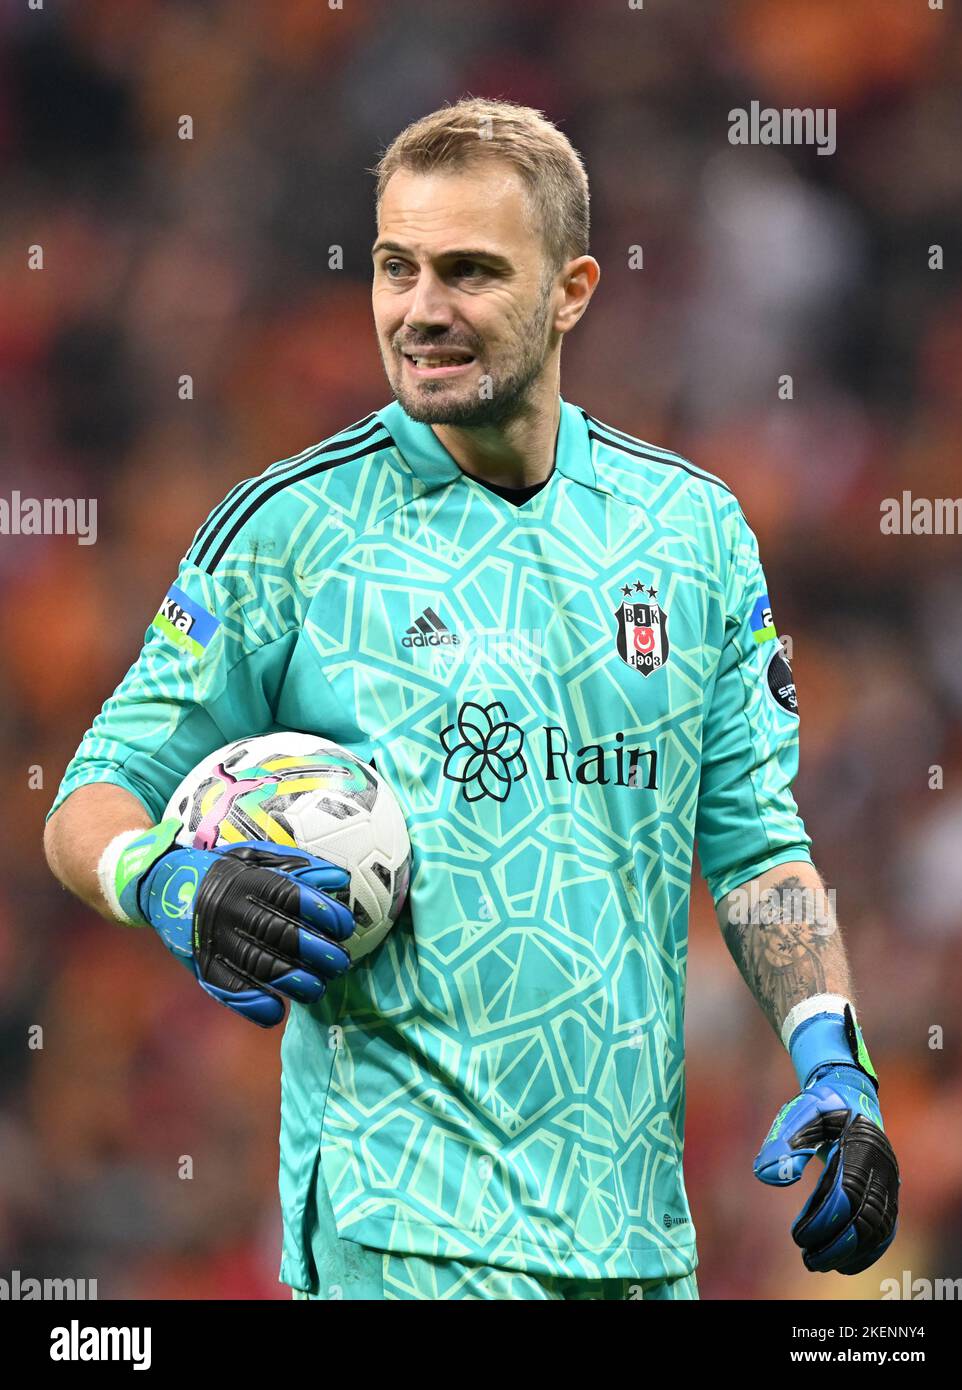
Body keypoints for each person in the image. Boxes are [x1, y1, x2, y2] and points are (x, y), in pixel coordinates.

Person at [43, 96, 898, 1301]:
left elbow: (759, 850)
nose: (420, 308)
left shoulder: (693, 532)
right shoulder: (294, 530)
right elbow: (88, 797)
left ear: (573, 289)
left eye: (470, 271)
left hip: (636, 1243)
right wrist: (169, 881)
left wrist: (836, 1066)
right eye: (397, 266)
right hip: (402, 1227)